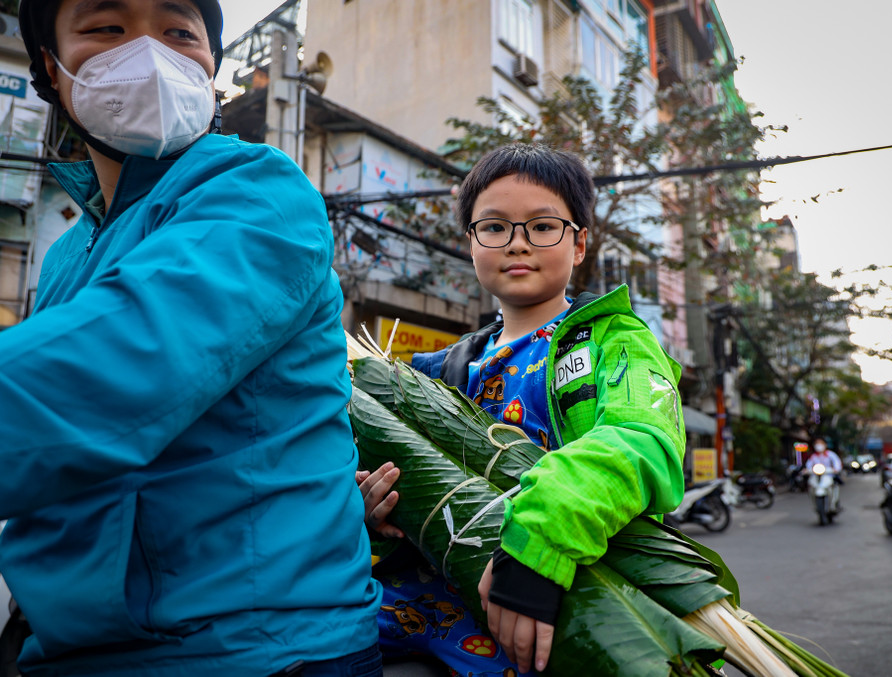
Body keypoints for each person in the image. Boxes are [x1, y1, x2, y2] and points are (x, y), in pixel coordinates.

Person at [0, 2, 381, 675]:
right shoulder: (67, 255)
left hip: (257, 650)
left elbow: (111, 370)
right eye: (106, 28)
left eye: (179, 33)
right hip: (74, 650)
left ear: (211, 69)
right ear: (48, 71)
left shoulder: (261, 192)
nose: (149, 55)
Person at [364, 143, 686, 675]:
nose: (517, 244)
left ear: (580, 244)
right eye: (493, 227)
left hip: (546, 602)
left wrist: (538, 545)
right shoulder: (434, 370)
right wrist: (373, 511)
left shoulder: (615, 342)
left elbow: (643, 439)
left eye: (541, 226)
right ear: (470, 243)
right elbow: (395, 488)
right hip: (408, 601)